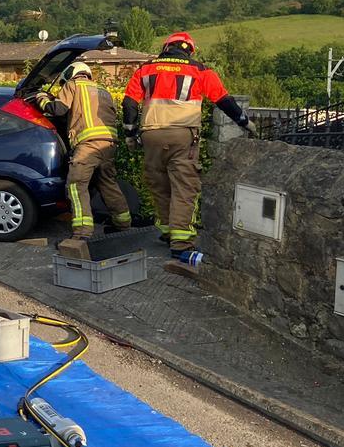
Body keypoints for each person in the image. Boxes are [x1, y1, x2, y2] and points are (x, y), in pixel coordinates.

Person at [122, 32, 256, 269]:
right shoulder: (200, 70)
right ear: (189, 50)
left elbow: (129, 103)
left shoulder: (145, 69)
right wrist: (244, 121)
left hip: (151, 135)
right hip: (183, 136)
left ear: (166, 47)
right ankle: (181, 243)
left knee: (159, 184)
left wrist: (130, 134)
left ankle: (167, 232)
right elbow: (223, 100)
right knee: (184, 187)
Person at [32, 61, 132, 240]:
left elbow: (58, 109)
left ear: (70, 74)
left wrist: (42, 97)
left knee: (76, 185)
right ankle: (123, 223)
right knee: (107, 183)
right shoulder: (102, 90)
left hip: (88, 145)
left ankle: (82, 233)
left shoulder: (73, 84)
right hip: (109, 145)